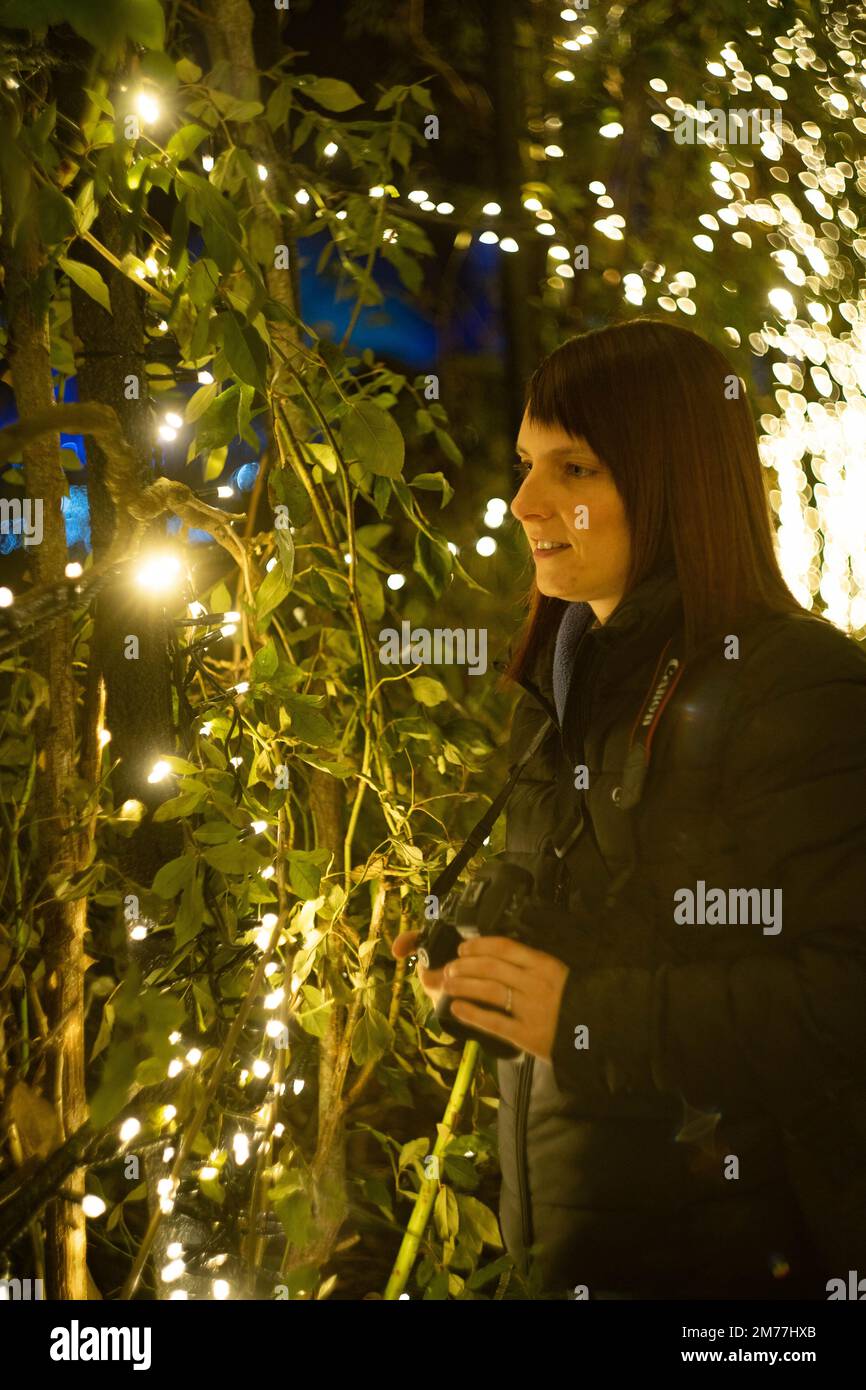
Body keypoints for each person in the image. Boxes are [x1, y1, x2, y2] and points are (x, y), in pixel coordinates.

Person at [392, 317, 866, 1300]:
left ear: (671, 479)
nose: (524, 501)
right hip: (582, 1239)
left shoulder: (798, 692)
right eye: (526, 464)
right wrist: (482, 967)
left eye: (573, 469)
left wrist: (585, 1016)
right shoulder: (566, 690)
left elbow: (841, 994)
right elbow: (612, 926)